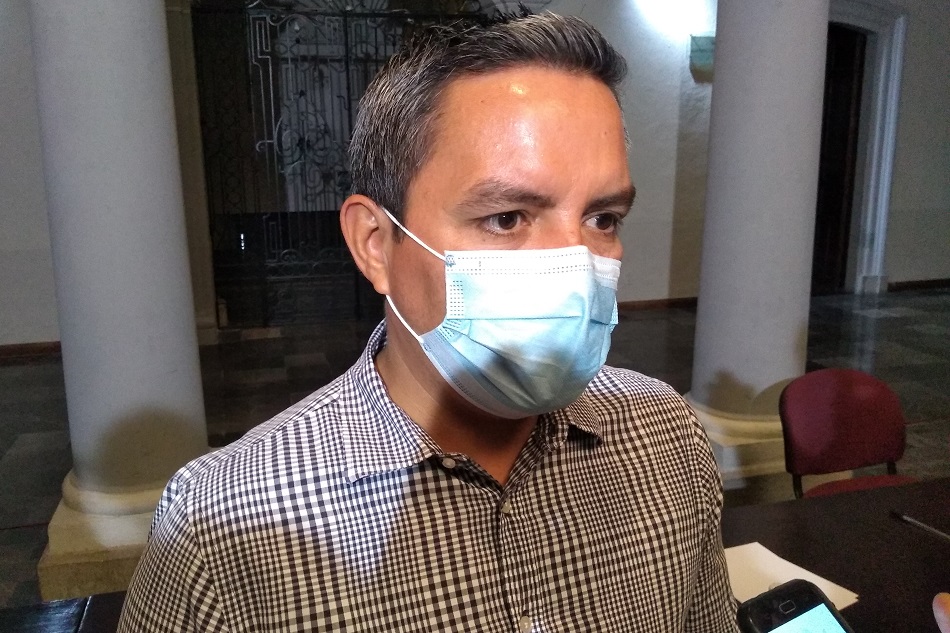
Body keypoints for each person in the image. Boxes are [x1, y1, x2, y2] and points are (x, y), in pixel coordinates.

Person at [119, 12, 738, 632]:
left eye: (602, 219)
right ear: (376, 244)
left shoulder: (667, 441)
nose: (574, 266)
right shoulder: (221, 527)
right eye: (506, 218)